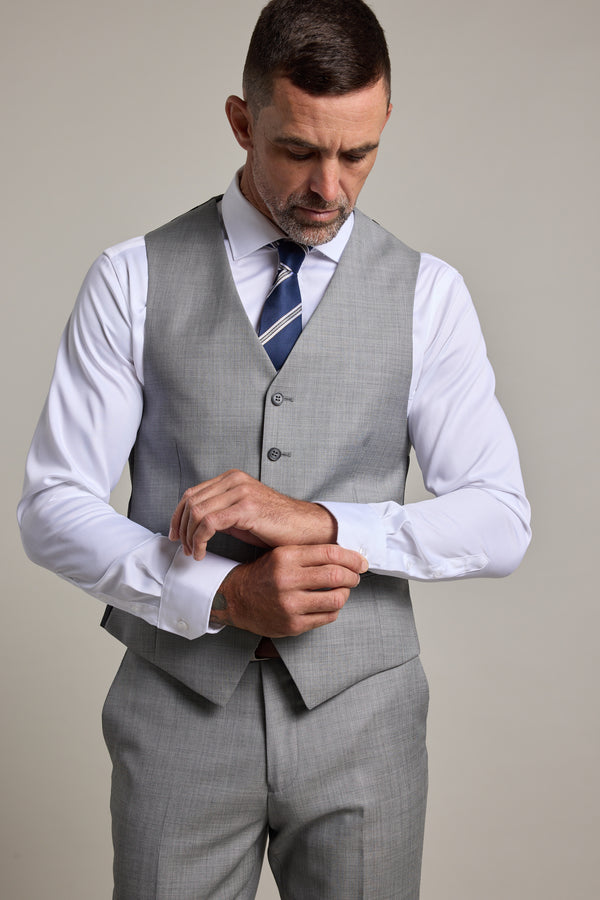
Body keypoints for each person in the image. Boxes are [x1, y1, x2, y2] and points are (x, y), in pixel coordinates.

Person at [17, 0, 531, 897]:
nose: (328, 187)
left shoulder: (430, 295)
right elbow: (51, 506)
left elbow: (501, 521)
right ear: (242, 121)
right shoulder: (131, 278)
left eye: (357, 153)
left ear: (382, 127)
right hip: (176, 712)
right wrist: (217, 592)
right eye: (298, 149)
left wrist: (324, 522)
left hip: (363, 720)